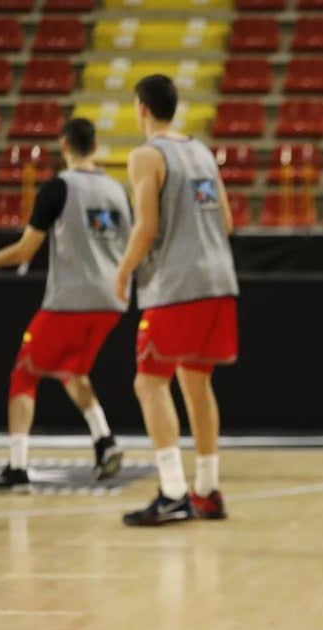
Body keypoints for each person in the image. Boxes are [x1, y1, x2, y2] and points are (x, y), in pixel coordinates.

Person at [0, 118, 129, 490]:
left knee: (25, 373)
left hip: (71, 299)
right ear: (97, 145)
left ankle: (18, 467)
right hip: (112, 301)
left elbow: (24, 250)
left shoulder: (57, 188)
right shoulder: (119, 191)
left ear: (64, 145)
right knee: (71, 370)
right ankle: (104, 441)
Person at [114, 74, 239, 526]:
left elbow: (145, 226)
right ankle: (206, 490)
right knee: (196, 383)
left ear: (142, 108)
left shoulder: (146, 155)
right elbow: (225, 220)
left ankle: (170, 492)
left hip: (177, 285)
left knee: (148, 382)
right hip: (219, 281)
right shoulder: (202, 151)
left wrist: (123, 270)